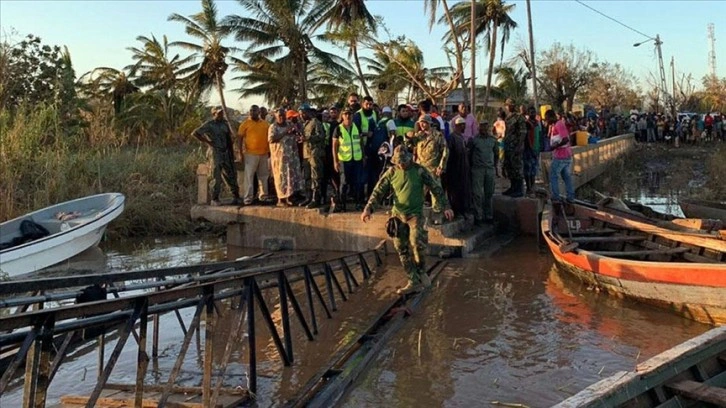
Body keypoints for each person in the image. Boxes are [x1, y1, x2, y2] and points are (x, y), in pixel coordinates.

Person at [361, 145, 453, 295]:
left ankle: (421, 271)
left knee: (417, 244)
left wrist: (446, 206)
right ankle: (412, 279)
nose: (402, 165)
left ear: (409, 159)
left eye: (404, 162)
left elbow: (435, 188)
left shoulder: (419, 170)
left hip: (415, 214)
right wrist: (368, 209)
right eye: (399, 163)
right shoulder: (391, 172)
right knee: (401, 248)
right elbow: (378, 191)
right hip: (398, 216)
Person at [192, 106, 241, 206]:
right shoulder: (209, 124)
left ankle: (235, 196)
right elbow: (195, 133)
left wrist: (232, 152)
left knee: (230, 174)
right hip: (216, 152)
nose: (221, 115)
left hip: (226, 152)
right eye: (219, 113)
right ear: (214, 114)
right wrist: (208, 142)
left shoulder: (225, 124)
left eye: (222, 113)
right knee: (216, 176)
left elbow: (228, 138)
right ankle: (215, 198)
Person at [407, 115, 448, 222]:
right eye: (420, 122)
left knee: (436, 193)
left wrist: (441, 166)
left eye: (424, 122)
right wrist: (408, 137)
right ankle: (416, 215)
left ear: (429, 123)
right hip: (420, 168)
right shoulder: (419, 135)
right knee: (418, 192)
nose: (422, 124)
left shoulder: (438, 136)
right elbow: (410, 145)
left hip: (433, 168)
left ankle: (437, 216)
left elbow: (445, 151)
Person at [268, 108, 304, 207]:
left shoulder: (289, 124)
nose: (282, 117)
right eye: (280, 115)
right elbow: (271, 139)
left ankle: (289, 197)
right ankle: (281, 199)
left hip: (292, 156)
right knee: (281, 178)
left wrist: (296, 133)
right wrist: (285, 132)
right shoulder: (273, 127)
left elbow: (297, 134)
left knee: (290, 178)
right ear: (275, 116)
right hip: (280, 158)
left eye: (283, 115)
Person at [332, 107, 365, 211]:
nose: (348, 116)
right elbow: (334, 146)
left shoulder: (356, 127)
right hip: (344, 160)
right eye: (345, 114)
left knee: (359, 182)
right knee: (344, 183)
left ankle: (359, 203)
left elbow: (361, 143)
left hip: (357, 159)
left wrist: (363, 156)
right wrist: (335, 161)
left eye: (350, 114)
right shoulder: (338, 129)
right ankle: (342, 205)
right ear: (342, 116)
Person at [238, 105, 272, 205]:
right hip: (250, 154)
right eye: (251, 110)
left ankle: (263, 197)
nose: (252, 112)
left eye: (255, 110)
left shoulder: (266, 124)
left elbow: (269, 138)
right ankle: (248, 198)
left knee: (263, 176)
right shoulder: (245, 124)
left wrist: (269, 151)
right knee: (249, 177)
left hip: (264, 154)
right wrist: (240, 153)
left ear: (259, 112)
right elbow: (239, 139)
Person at [469, 121, 498, 224]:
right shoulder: (474, 140)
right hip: (477, 169)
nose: (484, 130)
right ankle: (478, 216)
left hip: (489, 169)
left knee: (489, 193)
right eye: (482, 128)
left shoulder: (493, 140)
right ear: (478, 129)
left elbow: (496, 155)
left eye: (486, 128)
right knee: (477, 193)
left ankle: (489, 216)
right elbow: (470, 154)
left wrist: (495, 167)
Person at [299, 103, 327, 208]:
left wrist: (308, 138)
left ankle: (316, 198)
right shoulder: (304, 124)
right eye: (300, 114)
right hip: (306, 154)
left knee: (316, 176)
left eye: (303, 113)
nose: (301, 116)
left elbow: (321, 136)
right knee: (307, 177)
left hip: (315, 153)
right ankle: (308, 197)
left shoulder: (315, 122)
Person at [545, 109, 574, 203]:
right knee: (566, 177)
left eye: (547, 119)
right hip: (566, 155)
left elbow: (565, 139)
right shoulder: (555, 125)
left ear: (551, 117)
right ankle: (570, 197)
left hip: (561, 156)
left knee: (553, 175)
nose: (546, 121)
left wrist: (555, 147)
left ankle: (556, 196)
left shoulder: (558, 124)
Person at [444, 117, 471, 218]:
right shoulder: (452, 138)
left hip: (463, 170)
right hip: (454, 170)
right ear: (458, 126)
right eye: (462, 125)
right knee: (454, 193)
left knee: (462, 191)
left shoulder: (461, 137)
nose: (464, 127)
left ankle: (462, 210)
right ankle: (456, 212)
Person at [502, 98, 526, 197]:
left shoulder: (519, 117)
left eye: (509, 105)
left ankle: (519, 189)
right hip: (508, 146)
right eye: (507, 105)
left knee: (517, 168)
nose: (508, 107)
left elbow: (523, 132)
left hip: (516, 146)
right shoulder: (508, 118)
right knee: (510, 167)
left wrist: (519, 146)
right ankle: (513, 187)